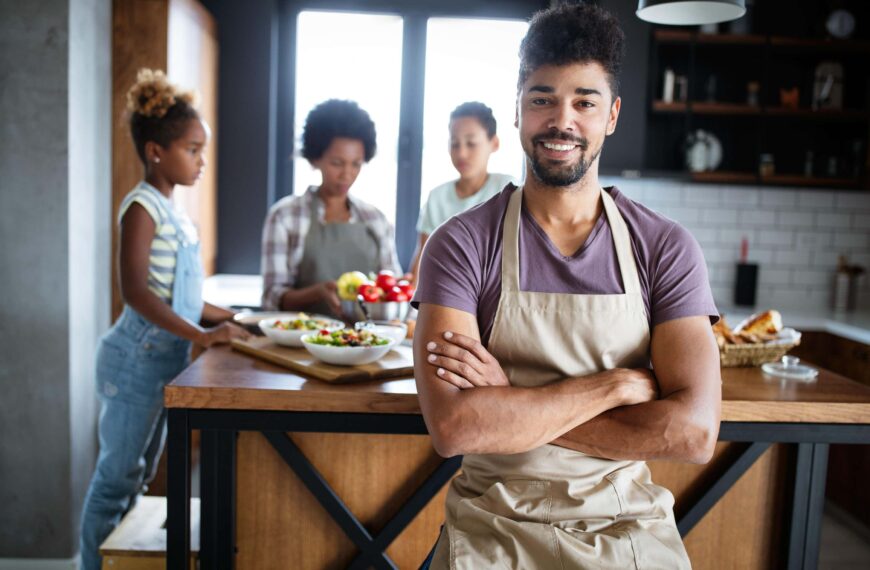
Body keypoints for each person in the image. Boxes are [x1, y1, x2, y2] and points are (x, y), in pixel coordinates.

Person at [412, 4, 721, 568]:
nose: (562, 120)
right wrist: (613, 387)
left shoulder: (666, 248)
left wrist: (511, 407)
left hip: (626, 524)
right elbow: (456, 427)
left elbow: (694, 434)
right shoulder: (459, 245)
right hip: (491, 523)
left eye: (585, 101)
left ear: (613, 115)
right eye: (542, 99)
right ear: (518, 111)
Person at [79, 69, 250, 570]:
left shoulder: (176, 215)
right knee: (115, 480)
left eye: (202, 150)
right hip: (134, 361)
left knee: (139, 474)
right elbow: (136, 292)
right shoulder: (142, 208)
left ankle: (116, 562)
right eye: (192, 150)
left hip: (163, 361)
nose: (201, 161)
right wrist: (203, 336)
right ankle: (91, 565)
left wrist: (239, 320)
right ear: (157, 151)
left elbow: (182, 296)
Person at [261, 99, 402, 317]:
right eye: (337, 163)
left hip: (368, 342)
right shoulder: (285, 216)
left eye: (356, 164)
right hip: (303, 343)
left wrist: (401, 289)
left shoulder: (376, 220)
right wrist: (316, 293)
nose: (347, 174)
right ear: (316, 158)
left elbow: (390, 286)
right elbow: (272, 298)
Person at [409, 102, 516, 282]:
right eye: (454, 143)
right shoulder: (437, 197)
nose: (461, 153)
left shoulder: (507, 188)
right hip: (445, 290)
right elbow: (422, 256)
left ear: (494, 143)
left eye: (471, 143)